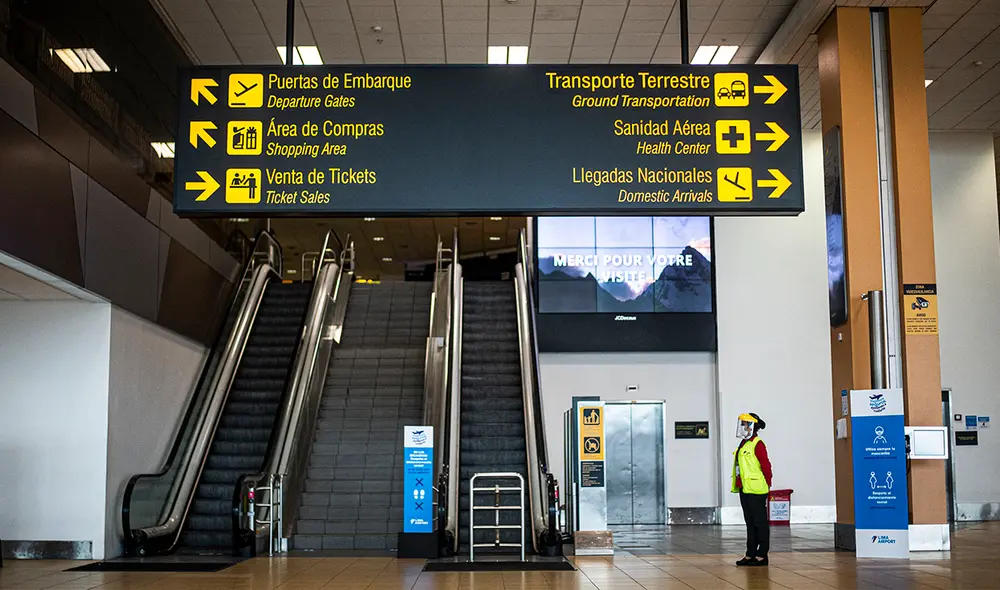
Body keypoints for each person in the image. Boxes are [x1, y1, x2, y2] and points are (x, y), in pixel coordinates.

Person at [732, 412, 772, 566]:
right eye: (742, 424)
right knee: (750, 522)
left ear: (753, 426)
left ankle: (762, 555)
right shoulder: (743, 443)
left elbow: (766, 465)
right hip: (745, 489)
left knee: (759, 522)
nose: (743, 427)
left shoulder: (757, 443)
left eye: (746, 424)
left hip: (757, 489)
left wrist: (768, 483)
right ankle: (750, 554)